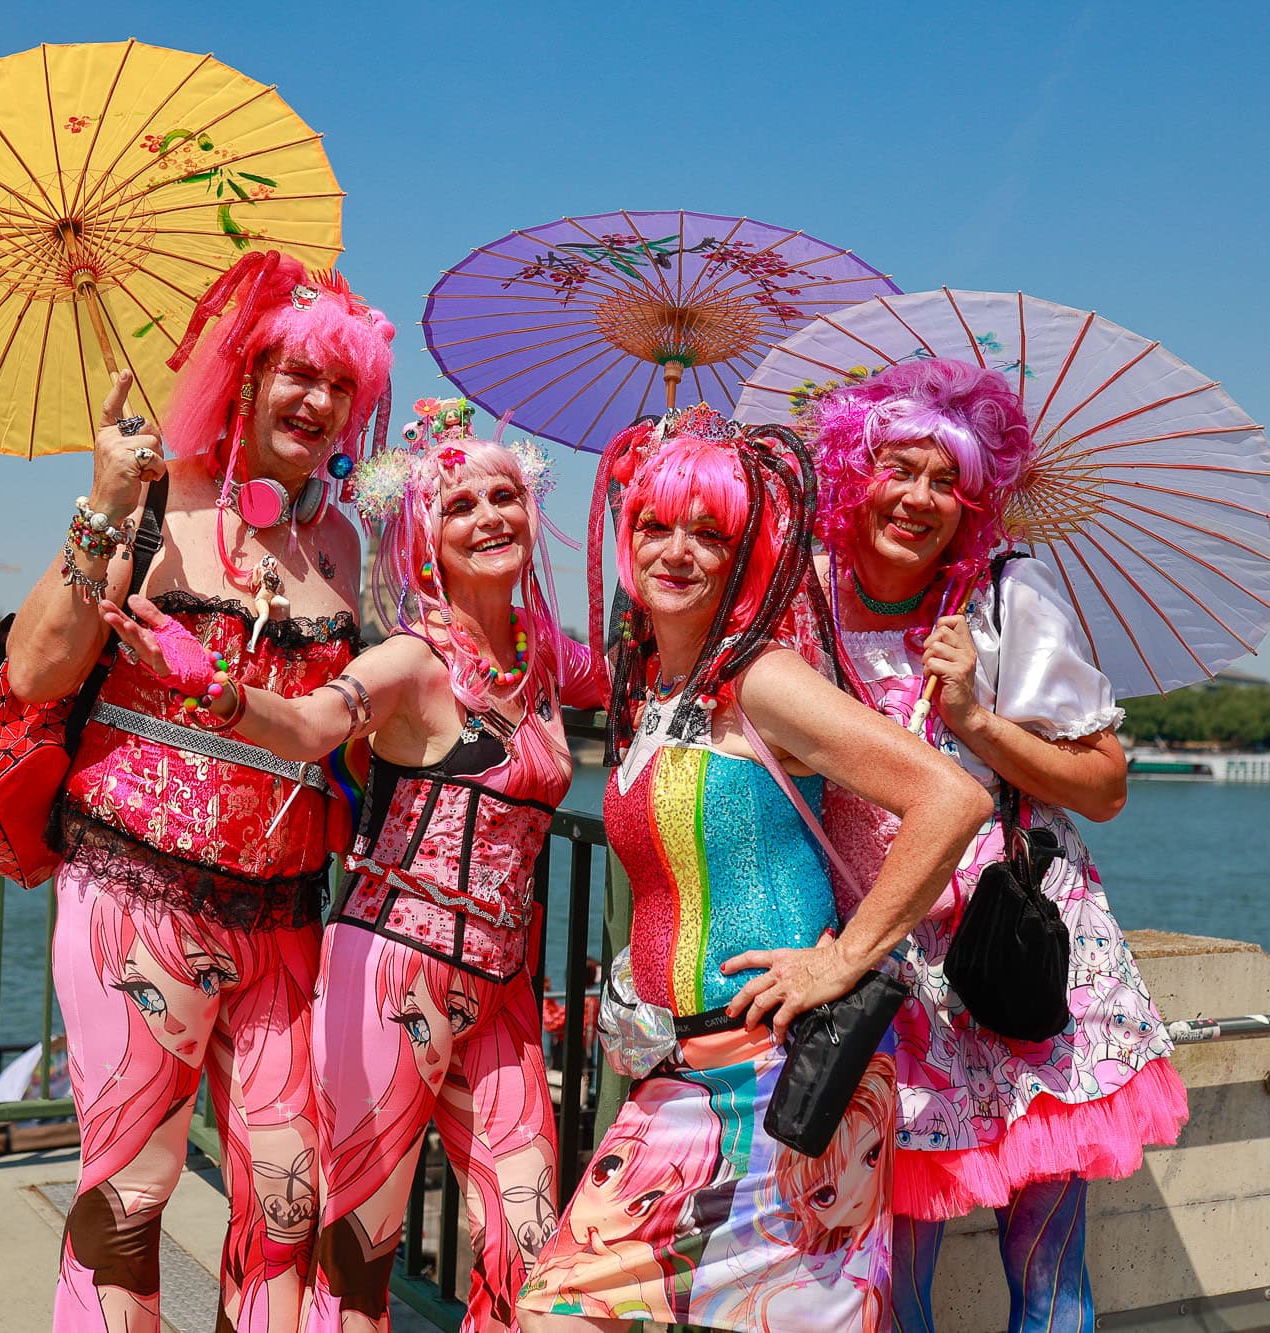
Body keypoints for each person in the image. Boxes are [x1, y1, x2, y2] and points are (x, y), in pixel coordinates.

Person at [103, 396, 607, 1333]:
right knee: (358, 1259)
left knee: (539, 1252)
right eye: (460, 506)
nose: (490, 515)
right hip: (392, 977)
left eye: (504, 495)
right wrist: (213, 686)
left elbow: (664, 661)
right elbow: (308, 727)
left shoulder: (551, 661)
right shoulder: (414, 662)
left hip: (503, 986)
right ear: (426, 537)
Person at [516, 406, 991, 1333]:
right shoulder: (652, 687)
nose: (678, 551)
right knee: (556, 1305)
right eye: (656, 525)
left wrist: (844, 957)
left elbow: (952, 799)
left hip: (793, 1084)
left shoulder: (765, 679)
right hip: (678, 1074)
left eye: (711, 532)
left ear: (748, 553)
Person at [4, 250, 395, 1333]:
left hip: (283, 913)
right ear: (246, 372)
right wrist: (103, 502)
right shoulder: (148, 506)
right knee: (131, 1197)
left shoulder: (338, 539)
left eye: (341, 387)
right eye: (298, 376)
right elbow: (36, 673)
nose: (318, 404)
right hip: (138, 894)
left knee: (287, 1199)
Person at [808, 358, 1189, 1332]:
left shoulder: (1006, 596)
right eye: (898, 467)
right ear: (855, 469)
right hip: (885, 967)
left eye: (948, 480)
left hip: (1017, 951)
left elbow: (1102, 784)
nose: (920, 497)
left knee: (1050, 1276)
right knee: (889, 1284)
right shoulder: (799, 596)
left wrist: (973, 718)